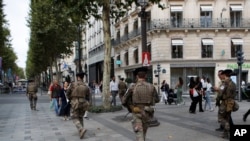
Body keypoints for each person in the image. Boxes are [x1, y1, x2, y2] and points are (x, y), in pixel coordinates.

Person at [122, 67, 160, 141]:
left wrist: (130, 106)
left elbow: (123, 100)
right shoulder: (151, 86)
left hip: (136, 112)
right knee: (143, 134)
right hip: (147, 113)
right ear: (145, 76)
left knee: (139, 135)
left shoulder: (132, 87)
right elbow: (157, 99)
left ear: (137, 76)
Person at [66, 72, 90, 139]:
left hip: (75, 102)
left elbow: (67, 93)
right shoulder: (85, 85)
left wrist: (70, 99)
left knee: (74, 117)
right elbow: (88, 95)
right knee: (80, 117)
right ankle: (81, 132)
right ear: (83, 77)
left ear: (78, 77)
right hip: (83, 102)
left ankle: (81, 129)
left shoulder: (73, 84)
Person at [218, 69, 236, 138]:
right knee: (227, 118)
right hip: (231, 103)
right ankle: (225, 134)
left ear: (225, 75)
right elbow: (234, 94)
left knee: (221, 118)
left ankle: (229, 129)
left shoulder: (224, 83)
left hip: (224, 103)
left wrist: (217, 91)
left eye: (222, 74)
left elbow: (220, 94)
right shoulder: (233, 83)